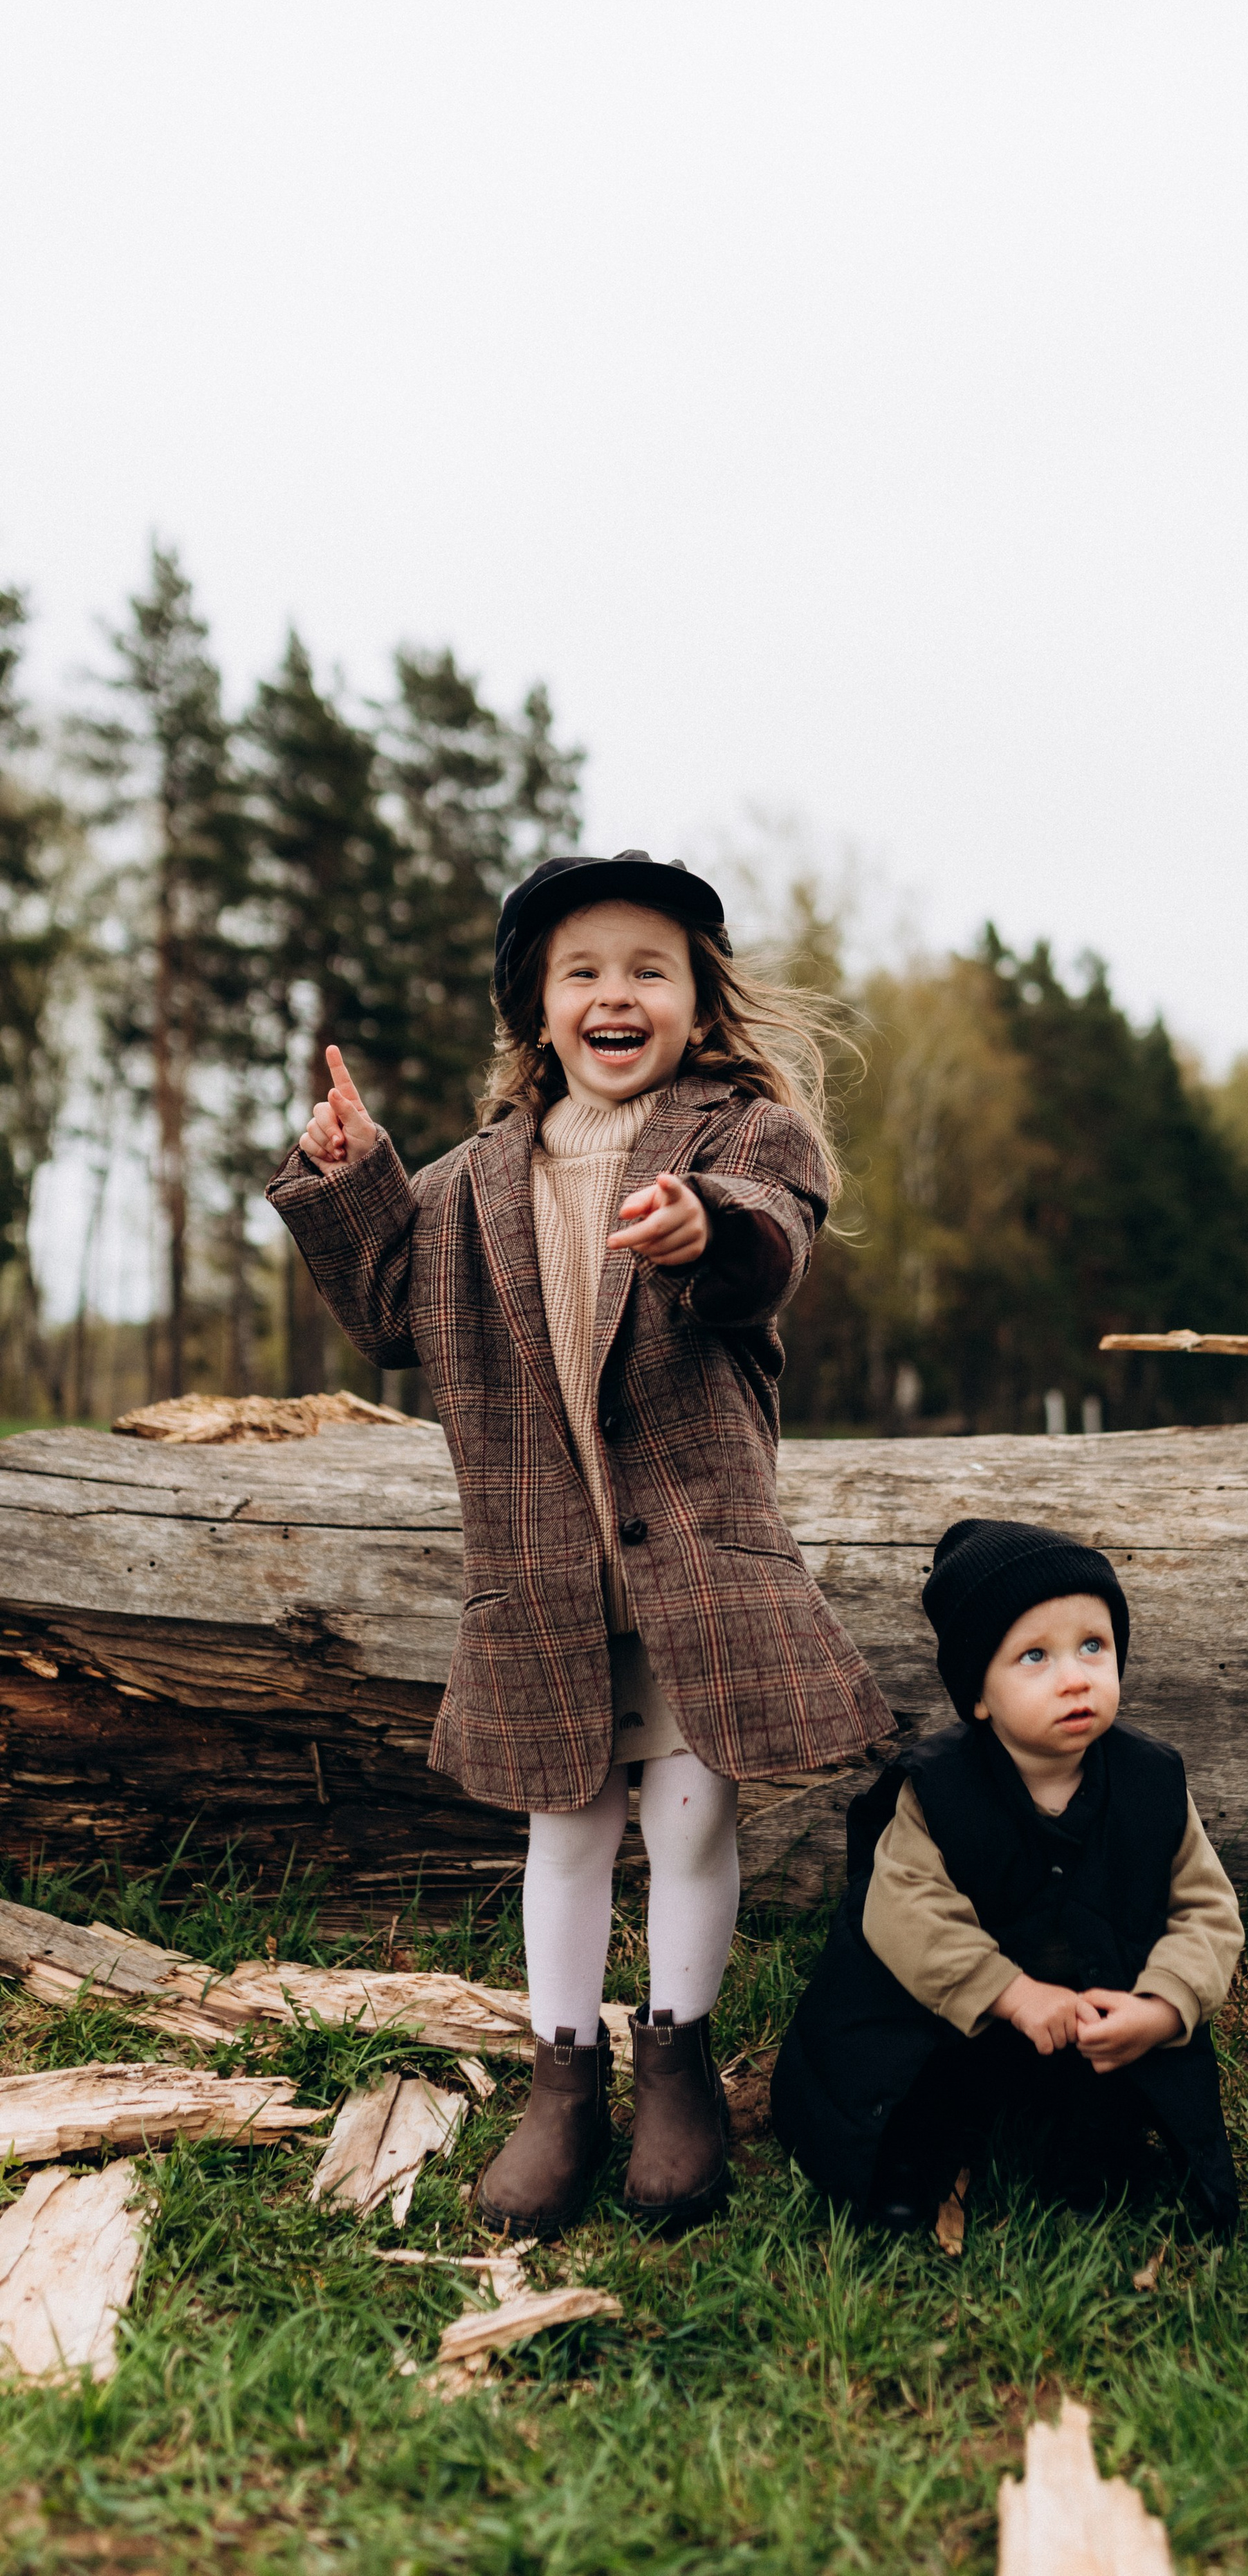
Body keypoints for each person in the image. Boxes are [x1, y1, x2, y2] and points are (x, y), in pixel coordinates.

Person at [266, 850, 894, 2236]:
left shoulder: (741, 1137)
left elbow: (770, 1243)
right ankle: (563, 2086)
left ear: (696, 1000)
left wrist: (701, 1227)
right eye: (584, 972)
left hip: (691, 1556)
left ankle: (673, 2066)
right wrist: (352, 1175)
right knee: (566, 1823)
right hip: (541, 1571)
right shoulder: (471, 1178)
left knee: (689, 1813)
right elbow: (384, 1309)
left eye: (647, 970)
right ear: (535, 1010)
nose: (617, 993)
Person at [771, 1518, 1243, 2236]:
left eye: (1094, 1645)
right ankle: (909, 2161)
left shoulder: (1151, 1783)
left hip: (1091, 2009)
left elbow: (1205, 1911)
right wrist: (1009, 1993)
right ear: (978, 1693)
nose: (1076, 1676)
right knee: (904, 2072)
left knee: (1115, 2082)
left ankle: (1088, 2153)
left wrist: (1163, 2005)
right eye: (1034, 1656)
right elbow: (906, 1912)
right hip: (960, 2010)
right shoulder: (940, 1790)